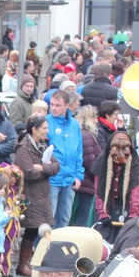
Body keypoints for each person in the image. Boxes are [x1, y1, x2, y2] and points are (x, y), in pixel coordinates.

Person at [13, 115, 60, 276]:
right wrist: (44, 169)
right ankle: (22, 263)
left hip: (42, 194)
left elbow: (56, 167)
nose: (47, 131)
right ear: (34, 130)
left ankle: (31, 261)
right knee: (32, 229)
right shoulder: (23, 148)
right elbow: (29, 173)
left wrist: (41, 168)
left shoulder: (43, 144)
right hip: (30, 194)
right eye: (44, 128)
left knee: (39, 228)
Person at [92, 130, 139, 243]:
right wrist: (103, 214)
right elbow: (98, 190)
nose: (119, 153)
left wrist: (133, 215)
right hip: (105, 208)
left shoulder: (135, 165)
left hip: (127, 210)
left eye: (124, 148)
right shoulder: (102, 163)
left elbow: (136, 192)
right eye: (115, 148)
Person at [47, 91, 84, 230]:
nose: (54, 108)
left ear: (67, 106)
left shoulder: (74, 124)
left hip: (69, 179)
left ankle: (59, 249)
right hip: (52, 179)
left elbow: (79, 151)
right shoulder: (46, 122)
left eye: (58, 105)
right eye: (52, 105)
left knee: (64, 219)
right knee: (49, 218)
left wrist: (78, 175)